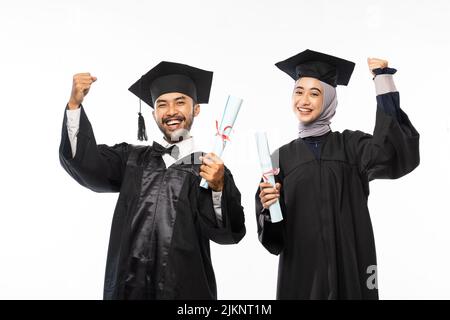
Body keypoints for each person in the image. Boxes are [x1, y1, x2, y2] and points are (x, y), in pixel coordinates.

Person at [59, 61, 246, 299]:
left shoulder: (211, 170)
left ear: (195, 109)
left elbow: (227, 235)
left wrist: (218, 187)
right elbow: (85, 162)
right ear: (154, 113)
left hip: (184, 293)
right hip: (127, 290)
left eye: (180, 102)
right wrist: (75, 105)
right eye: (162, 104)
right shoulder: (131, 159)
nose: (171, 112)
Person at [255, 49, 420, 299]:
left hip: (351, 266)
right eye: (299, 92)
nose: (304, 100)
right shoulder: (279, 159)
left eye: (315, 93)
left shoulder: (352, 146)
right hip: (303, 276)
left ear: (330, 98)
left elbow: (394, 153)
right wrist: (269, 208)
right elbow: (274, 241)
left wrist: (382, 81)